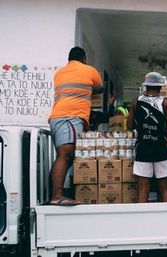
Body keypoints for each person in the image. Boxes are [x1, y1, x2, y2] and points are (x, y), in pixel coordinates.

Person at [49, 46, 104, 205]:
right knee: (65, 155)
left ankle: (55, 194)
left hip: (58, 116)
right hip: (70, 117)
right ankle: (57, 196)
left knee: (62, 156)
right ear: (84, 59)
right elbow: (99, 88)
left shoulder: (59, 73)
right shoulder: (89, 70)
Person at [127, 71, 167, 203]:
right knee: (165, 189)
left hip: (143, 149)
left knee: (143, 189)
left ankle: (141, 221)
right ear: (161, 86)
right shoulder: (166, 104)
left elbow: (129, 125)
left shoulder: (135, 102)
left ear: (146, 86)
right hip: (161, 149)